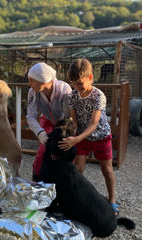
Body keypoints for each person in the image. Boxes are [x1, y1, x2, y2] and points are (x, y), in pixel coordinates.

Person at [59, 58, 118, 215]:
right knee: (78, 169)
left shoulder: (99, 96)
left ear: (90, 77)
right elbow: (74, 119)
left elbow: (93, 124)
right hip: (82, 136)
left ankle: (112, 200)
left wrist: (76, 139)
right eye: (73, 83)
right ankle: (75, 198)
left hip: (101, 135)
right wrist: (71, 133)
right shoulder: (72, 96)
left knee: (106, 169)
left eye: (79, 83)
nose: (77, 87)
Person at [26, 62, 72, 181]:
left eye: (32, 80)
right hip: (46, 118)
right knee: (43, 151)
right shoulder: (33, 92)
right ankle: (36, 180)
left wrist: (60, 134)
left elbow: (68, 117)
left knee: (62, 151)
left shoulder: (64, 90)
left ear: (44, 80)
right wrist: (40, 133)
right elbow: (30, 115)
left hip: (63, 123)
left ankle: (62, 181)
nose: (29, 84)